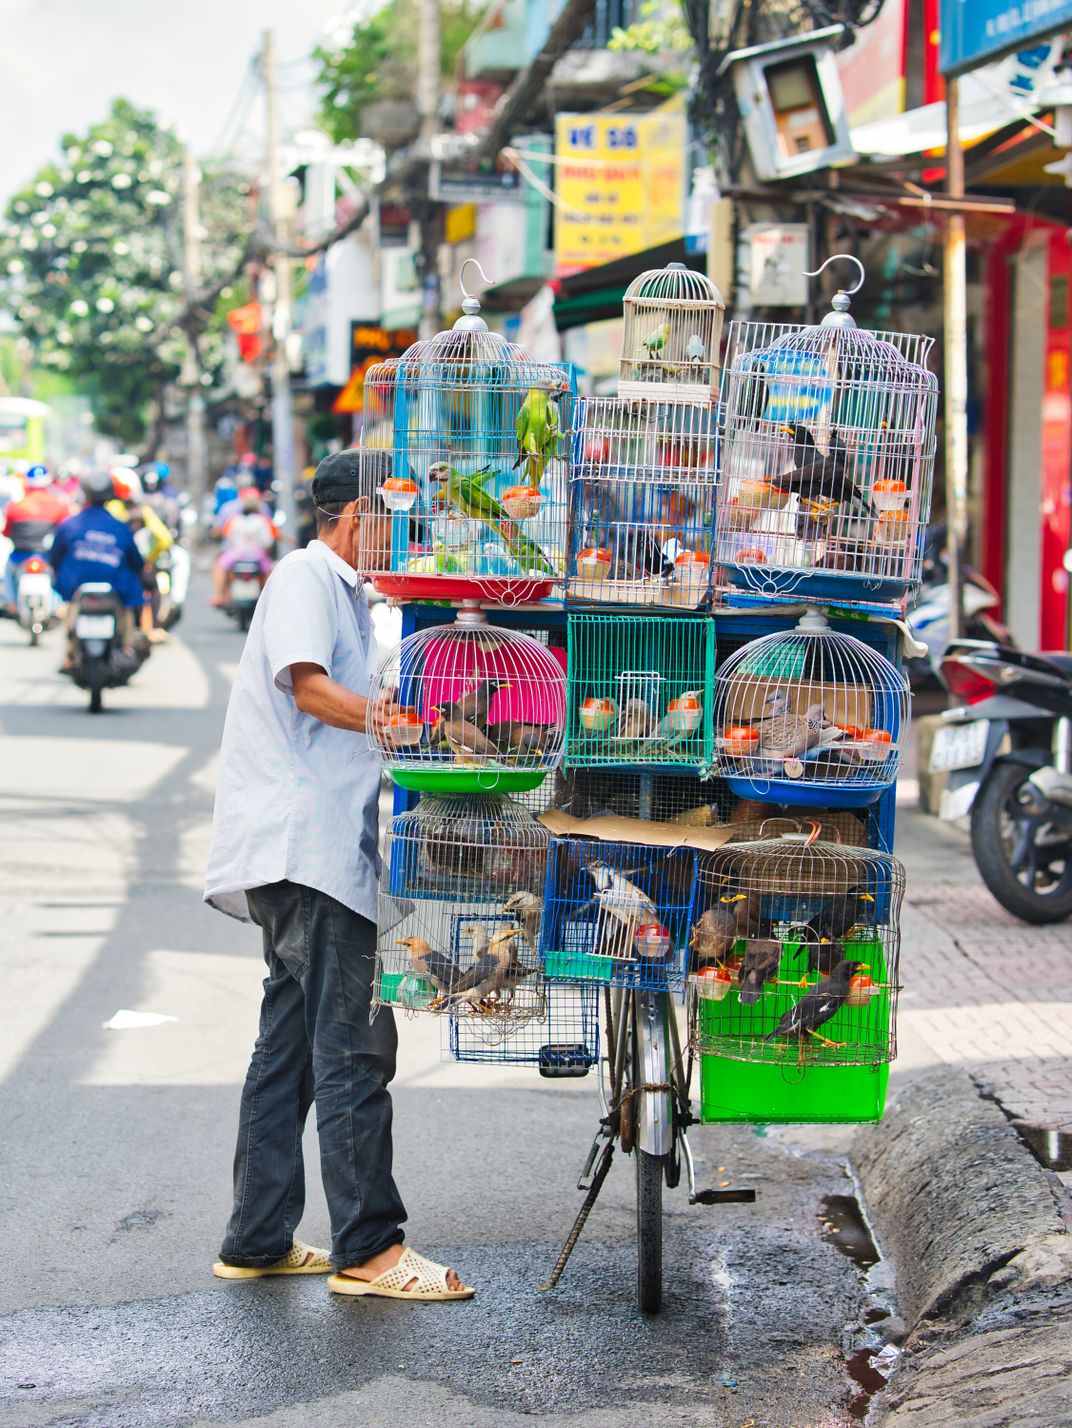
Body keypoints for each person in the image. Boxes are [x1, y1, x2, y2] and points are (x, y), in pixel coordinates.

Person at [204, 449, 473, 1302]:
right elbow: (309, 689)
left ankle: (256, 1236)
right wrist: (399, 725)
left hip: (308, 854)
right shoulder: (306, 575)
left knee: (287, 1051)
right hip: (307, 852)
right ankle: (369, 1247)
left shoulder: (352, 595)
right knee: (356, 1046)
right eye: (394, 517)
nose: (403, 535)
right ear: (355, 516)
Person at [50, 470, 147, 665]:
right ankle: (127, 648)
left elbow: (54, 557)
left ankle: (69, 656)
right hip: (113, 588)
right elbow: (136, 561)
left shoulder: (70, 525)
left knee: (71, 608)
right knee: (127, 608)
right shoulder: (119, 527)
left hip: (77, 587)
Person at [2, 465, 70, 613]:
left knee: (8, 572)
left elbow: (6, 531)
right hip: (47, 556)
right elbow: (65, 532)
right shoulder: (59, 504)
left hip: (20, 556)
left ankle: (11, 603)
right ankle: (60, 605)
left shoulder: (16, 506)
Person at [209, 491, 276, 607]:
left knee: (219, 565)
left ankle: (219, 595)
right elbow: (267, 542)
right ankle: (272, 599)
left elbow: (228, 540)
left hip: (236, 554)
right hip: (258, 555)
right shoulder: (262, 521)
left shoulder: (234, 520)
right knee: (271, 571)